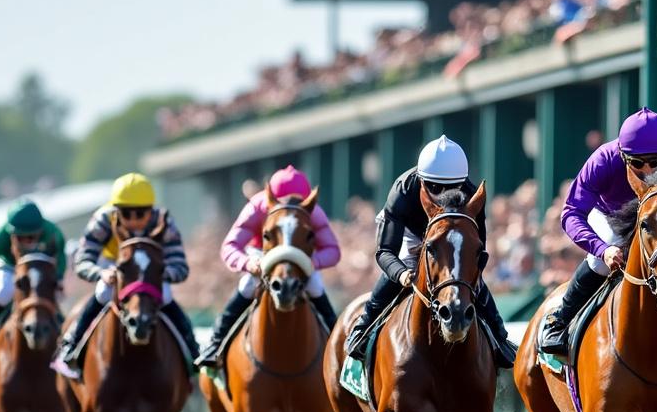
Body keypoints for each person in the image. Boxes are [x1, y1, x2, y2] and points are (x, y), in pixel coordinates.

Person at [540, 107, 657, 358]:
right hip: (608, 215)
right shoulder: (602, 160)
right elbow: (571, 212)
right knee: (606, 253)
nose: (647, 170)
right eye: (637, 163)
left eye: (655, 162)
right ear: (623, 157)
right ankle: (560, 321)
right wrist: (602, 250)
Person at [343, 135, 516, 368]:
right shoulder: (403, 190)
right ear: (424, 182)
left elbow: (478, 251)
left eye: (452, 187)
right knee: (403, 264)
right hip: (411, 233)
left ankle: (499, 336)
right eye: (436, 187)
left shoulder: (473, 196)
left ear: (462, 183)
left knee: (465, 276)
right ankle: (364, 326)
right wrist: (403, 274)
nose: (444, 194)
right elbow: (385, 251)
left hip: (451, 235)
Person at [53, 173, 199, 378]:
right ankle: (72, 343)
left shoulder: (163, 221)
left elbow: (180, 265)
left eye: (140, 213)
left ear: (151, 209)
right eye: (126, 213)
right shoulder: (104, 219)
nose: (133, 220)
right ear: (115, 210)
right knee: (103, 292)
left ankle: (192, 350)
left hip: (150, 273)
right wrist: (100, 273)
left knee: (165, 295)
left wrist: (161, 274)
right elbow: (82, 260)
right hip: (114, 265)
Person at [196, 166, 341, 368]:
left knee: (315, 285)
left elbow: (333, 250)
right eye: (285, 201)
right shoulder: (258, 206)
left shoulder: (312, 211)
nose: (290, 206)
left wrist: (313, 263)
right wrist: (248, 263)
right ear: (272, 199)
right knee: (248, 285)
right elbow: (230, 246)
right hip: (262, 255)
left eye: (296, 202)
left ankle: (339, 348)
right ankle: (215, 344)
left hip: (301, 259)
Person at [0, 199, 67, 373]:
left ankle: (68, 344)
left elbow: (60, 258)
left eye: (32, 236)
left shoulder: (53, 233)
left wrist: (58, 277)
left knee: (53, 295)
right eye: (21, 237)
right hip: (10, 269)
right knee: (3, 291)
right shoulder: (2, 235)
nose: (27, 241)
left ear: (41, 230)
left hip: (40, 269)